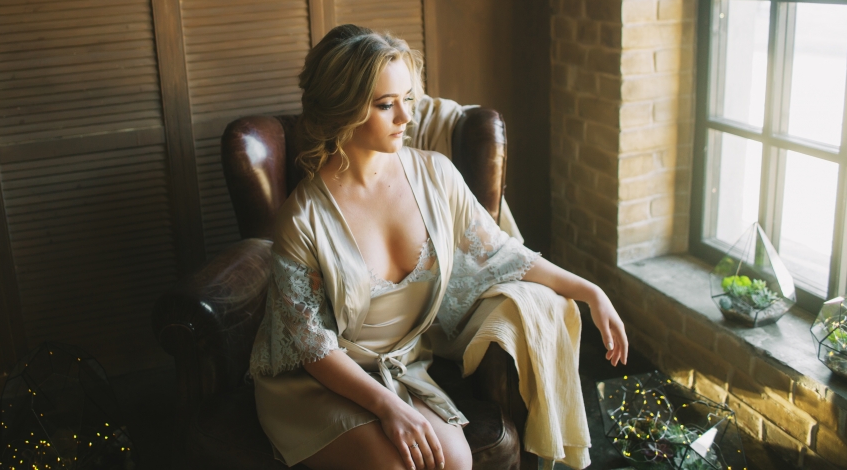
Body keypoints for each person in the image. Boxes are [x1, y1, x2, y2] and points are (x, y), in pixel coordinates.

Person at [250, 25, 628, 470]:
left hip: (401, 366)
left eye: (408, 99)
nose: (406, 118)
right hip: (318, 382)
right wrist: (389, 409)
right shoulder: (302, 220)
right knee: (399, 466)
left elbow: (500, 254)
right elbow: (315, 348)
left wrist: (590, 292)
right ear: (342, 109)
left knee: (457, 460)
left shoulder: (437, 176)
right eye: (386, 105)